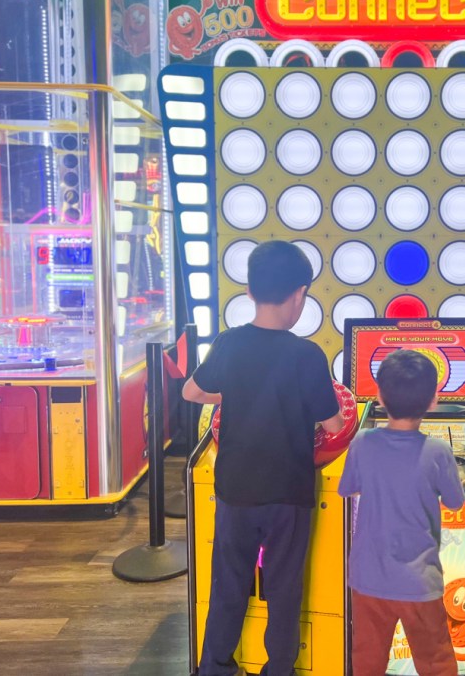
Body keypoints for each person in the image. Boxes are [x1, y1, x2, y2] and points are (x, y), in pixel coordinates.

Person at [183, 240, 345, 676]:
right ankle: (279, 669)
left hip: (235, 489)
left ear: (251, 292)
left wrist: (234, 393)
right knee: (285, 589)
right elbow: (332, 425)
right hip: (289, 493)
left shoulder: (230, 343)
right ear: (300, 294)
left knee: (228, 585)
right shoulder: (307, 355)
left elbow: (192, 392)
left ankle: (216, 667)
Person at [338, 350, 465, 676]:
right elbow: (455, 501)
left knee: (367, 659)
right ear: (434, 401)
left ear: (379, 396)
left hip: (368, 578)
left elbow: (347, 487)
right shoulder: (439, 450)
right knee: (435, 660)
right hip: (419, 581)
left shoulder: (362, 442)